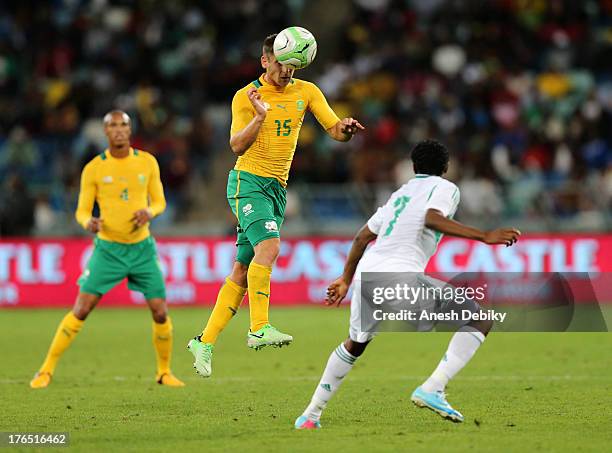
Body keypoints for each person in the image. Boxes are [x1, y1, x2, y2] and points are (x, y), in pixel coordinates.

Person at [295, 139, 521, 428]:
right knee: (480, 318)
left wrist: (345, 280)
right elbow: (432, 218)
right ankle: (433, 388)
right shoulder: (445, 188)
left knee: (355, 344)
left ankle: (310, 415)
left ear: (414, 167)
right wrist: (484, 236)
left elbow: (362, 237)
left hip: (367, 274)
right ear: (446, 167)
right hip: (398, 275)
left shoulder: (399, 194)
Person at [188, 34, 364, 377]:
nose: (287, 71)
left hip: (277, 189)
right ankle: (259, 328)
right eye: (281, 63)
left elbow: (334, 130)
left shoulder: (307, 91)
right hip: (247, 182)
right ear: (265, 61)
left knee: (242, 270)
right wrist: (259, 116)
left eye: (293, 65)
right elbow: (236, 146)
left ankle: (204, 342)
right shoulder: (246, 97)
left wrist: (345, 129)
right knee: (269, 248)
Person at [30, 111, 184, 388]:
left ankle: (164, 372)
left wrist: (149, 212)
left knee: (160, 311)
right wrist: (87, 221)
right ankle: (45, 370)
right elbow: (81, 211)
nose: (119, 130)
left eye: (123, 125)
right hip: (108, 249)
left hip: (141, 249)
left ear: (130, 129)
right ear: (105, 132)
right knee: (81, 308)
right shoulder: (94, 168)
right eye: (112, 126)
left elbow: (160, 202)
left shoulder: (147, 162)